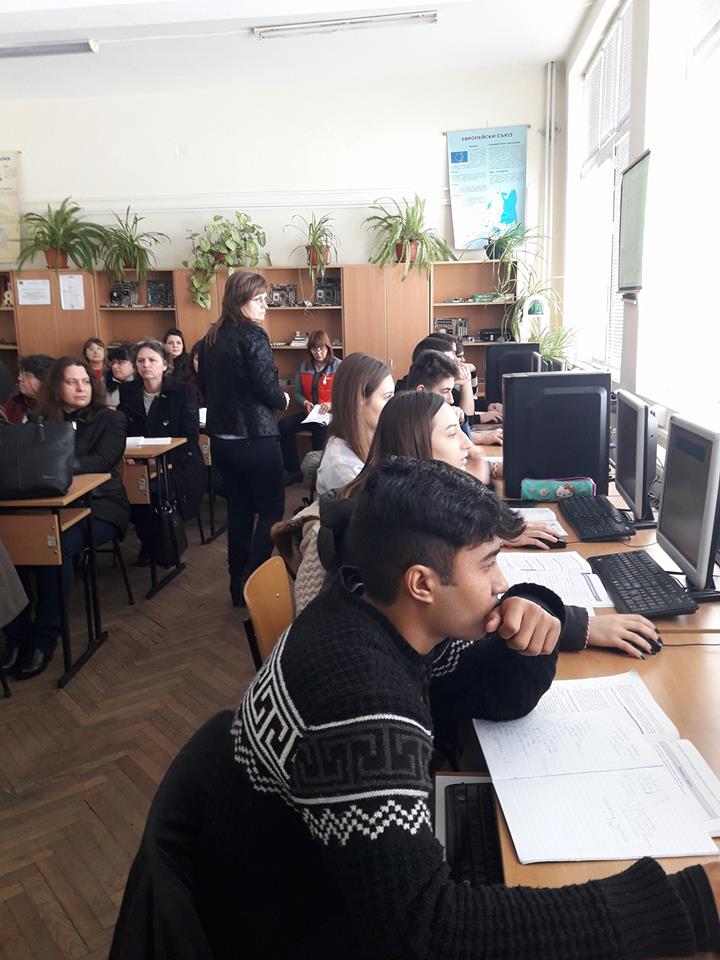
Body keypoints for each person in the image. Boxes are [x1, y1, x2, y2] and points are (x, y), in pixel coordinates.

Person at [112, 457, 720, 960]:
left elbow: (494, 696)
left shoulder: (370, 609)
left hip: (313, 885)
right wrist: (687, 906)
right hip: (302, 926)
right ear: (422, 583)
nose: (500, 582)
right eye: (489, 563)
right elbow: (426, 932)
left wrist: (532, 626)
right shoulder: (360, 698)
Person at [0, 357, 130, 680]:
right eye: (72, 382)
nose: (81, 388)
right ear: (56, 386)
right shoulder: (38, 420)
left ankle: (45, 637)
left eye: (85, 381)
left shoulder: (110, 419)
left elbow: (101, 461)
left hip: (101, 505)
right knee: (14, 545)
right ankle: (17, 634)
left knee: (55, 546)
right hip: (48, 507)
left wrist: (52, 464)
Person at [197, 271, 289, 606]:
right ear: (240, 301)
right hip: (256, 437)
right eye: (259, 299)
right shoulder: (253, 335)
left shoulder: (210, 337)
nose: (266, 305)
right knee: (271, 510)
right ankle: (252, 579)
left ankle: (236, 583)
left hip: (223, 439)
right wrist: (283, 400)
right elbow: (266, 388)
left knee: (239, 509)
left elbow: (205, 386)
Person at [119, 340, 205, 565]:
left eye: (152, 360)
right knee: (129, 490)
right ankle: (148, 540)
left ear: (165, 364)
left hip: (177, 460)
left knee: (154, 492)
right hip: (138, 461)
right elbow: (123, 430)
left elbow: (189, 436)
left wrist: (164, 461)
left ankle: (164, 543)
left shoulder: (182, 391)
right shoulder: (128, 391)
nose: (146, 365)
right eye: (140, 361)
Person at [315, 352, 394, 496]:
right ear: (359, 400)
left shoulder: (375, 439)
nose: (393, 405)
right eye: (387, 397)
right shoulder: (344, 467)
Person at [279, 329, 342, 485]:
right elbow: (297, 393)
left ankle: (319, 477)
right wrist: (305, 403)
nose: (318, 352)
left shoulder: (338, 366)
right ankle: (294, 471)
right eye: (314, 349)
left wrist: (331, 404)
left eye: (322, 348)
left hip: (329, 416)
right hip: (310, 413)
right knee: (283, 426)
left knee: (320, 435)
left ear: (328, 348)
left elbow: (345, 394)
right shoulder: (304, 366)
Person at [2, 353, 54, 423]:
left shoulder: (56, 405)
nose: (20, 378)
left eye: (27, 375)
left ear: (44, 380)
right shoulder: (14, 400)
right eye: (21, 373)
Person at [103, 342, 135, 407]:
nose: (114, 366)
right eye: (113, 362)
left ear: (134, 364)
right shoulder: (104, 382)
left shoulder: (142, 384)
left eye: (121, 362)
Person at [183, 339, 205, 410]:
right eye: (197, 359)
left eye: (204, 359)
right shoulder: (185, 383)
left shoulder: (220, 383)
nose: (200, 364)